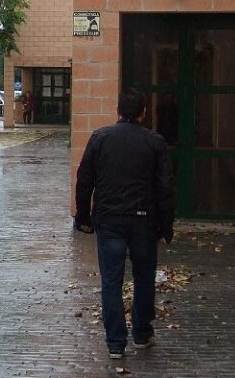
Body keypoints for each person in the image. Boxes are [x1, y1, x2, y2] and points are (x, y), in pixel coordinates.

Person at [74, 88, 175, 360]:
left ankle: (116, 343)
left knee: (111, 281)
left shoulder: (100, 138)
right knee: (144, 278)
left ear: (118, 111)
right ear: (143, 112)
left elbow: (85, 180)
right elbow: (165, 188)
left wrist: (83, 218)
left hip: (109, 220)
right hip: (144, 221)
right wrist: (166, 227)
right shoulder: (155, 143)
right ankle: (142, 333)